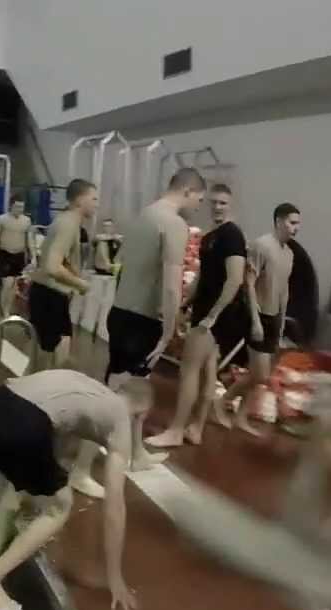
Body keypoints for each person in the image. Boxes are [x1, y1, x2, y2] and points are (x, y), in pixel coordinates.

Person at [0, 370, 153, 610]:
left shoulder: (89, 388)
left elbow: (53, 450)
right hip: (23, 424)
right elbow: (115, 506)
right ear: (141, 414)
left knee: (18, 487)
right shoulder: (120, 419)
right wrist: (115, 576)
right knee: (59, 507)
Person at [148, 184, 248, 448]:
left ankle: (176, 430)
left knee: (189, 370)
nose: (217, 207)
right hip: (205, 309)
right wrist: (184, 305)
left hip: (215, 314)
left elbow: (235, 279)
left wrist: (213, 315)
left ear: (231, 204)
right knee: (207, 372)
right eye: (213, 202)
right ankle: (196, 428)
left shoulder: (232, 235)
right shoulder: (210, 237)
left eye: (222, 203)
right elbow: (202, 278)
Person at [106, 168, 208, 384]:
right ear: (187, 191)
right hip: (142, 321)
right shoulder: (174, 224)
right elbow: (171, 286)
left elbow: (121, 263)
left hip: (119, 313)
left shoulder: (143, 215)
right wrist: (168, 333)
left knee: (113, 384)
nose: (198, 207)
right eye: (199, 200)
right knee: (130, 392)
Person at [216, 203, 300, 436]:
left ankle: (241, 417)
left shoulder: (289, 254)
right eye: (292, 223)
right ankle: (223, 401)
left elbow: (284, 290)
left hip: (273, 317)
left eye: (298, 224)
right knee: (260, 374)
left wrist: (281, 325)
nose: (296, 228)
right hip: (257, 314)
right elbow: (249, 284)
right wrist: (255, 320)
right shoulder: (261, 245)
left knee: (259, 375)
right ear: (279, 221)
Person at [29, 180, 98, 368]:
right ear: (80, 200)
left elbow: (62, 259)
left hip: (48, 293)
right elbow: (52, 267)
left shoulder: (67, 221)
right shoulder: (68, 224)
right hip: (49, 294)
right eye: (93, 199)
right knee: (53, 352)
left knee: (49, 351)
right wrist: (80, 284)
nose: (96, 204)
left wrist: (76, 276)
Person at [0, 195, 33, 315]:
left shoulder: (26, 221)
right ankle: (4, 312)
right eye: (17, 207)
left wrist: (33, 258)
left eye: (22, 207)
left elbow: (29, 240)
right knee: (7, 284)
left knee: (13, 285)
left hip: (18, 256)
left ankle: (6, 309)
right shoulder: (2, 219)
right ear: (11, 206)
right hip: (4, 254)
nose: (20, 209)